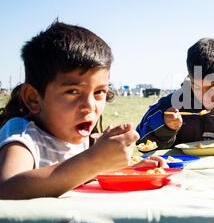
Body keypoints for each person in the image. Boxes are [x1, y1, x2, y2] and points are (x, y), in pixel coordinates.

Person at [0, 22, 165, 200]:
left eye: (99, 92)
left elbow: (78, 175)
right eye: (73, 92)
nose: (90, 105)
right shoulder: (24, 134)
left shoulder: (80, 138)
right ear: (33, 98)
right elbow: (6, 189)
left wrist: (125, 167)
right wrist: (93, 160)